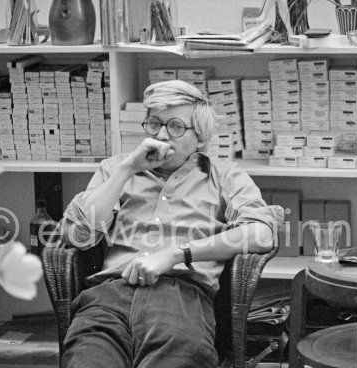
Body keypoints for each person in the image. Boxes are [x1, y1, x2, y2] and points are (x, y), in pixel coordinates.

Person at [59, 79, 284, 368]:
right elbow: (77, 235)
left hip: (181, 296)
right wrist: (128, 169)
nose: (162, 135)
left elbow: (261, 234)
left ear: (200, 137)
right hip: (108, 295)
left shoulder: (224, 175)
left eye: (176, 126)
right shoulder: (116, 168)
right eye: (154, 123)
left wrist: (177, 254)